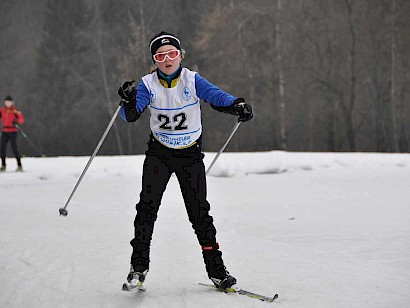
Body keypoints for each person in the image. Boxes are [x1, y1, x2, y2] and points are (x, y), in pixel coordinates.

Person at [118, 31, 253, 291]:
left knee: (200, 213)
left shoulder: (191, 79)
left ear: (181, 55)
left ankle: (217, 272)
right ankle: (138, 267)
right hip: (159, 153)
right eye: (160, 55)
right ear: (154, 60)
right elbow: (130, 115)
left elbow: (216, 97)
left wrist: (237, 104)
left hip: (190, 155)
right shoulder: (148, 84)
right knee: (147, 209)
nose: (167, 59)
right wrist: (128, 100)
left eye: (172, 54)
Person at [0, 95, 25, 172]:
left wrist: (16, 121)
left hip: (13, 131)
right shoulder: (2, 110)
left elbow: (21, 119)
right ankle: (3, 165)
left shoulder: (15, 110)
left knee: (14, 148)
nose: (7, 103)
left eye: (9, 102)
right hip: (4, 131)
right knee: (2, 149)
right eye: (6, 102)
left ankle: (19, 165)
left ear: (12, 102)